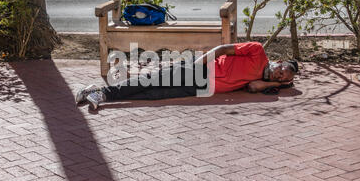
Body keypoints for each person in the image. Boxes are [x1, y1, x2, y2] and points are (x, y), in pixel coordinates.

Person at [76, 42, 299, 110]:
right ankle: (101, 93)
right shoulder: (257, 51)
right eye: (280, 71)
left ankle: (98, 94)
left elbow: (251, 88)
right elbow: (223, 49)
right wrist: (198, 62)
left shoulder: (262, 83)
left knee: (155, 96)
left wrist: (276, 85)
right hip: (201, 69)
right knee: (152, 80)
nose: (278, 76)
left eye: (281, 78)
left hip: (202, 89)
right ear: (278, 62)